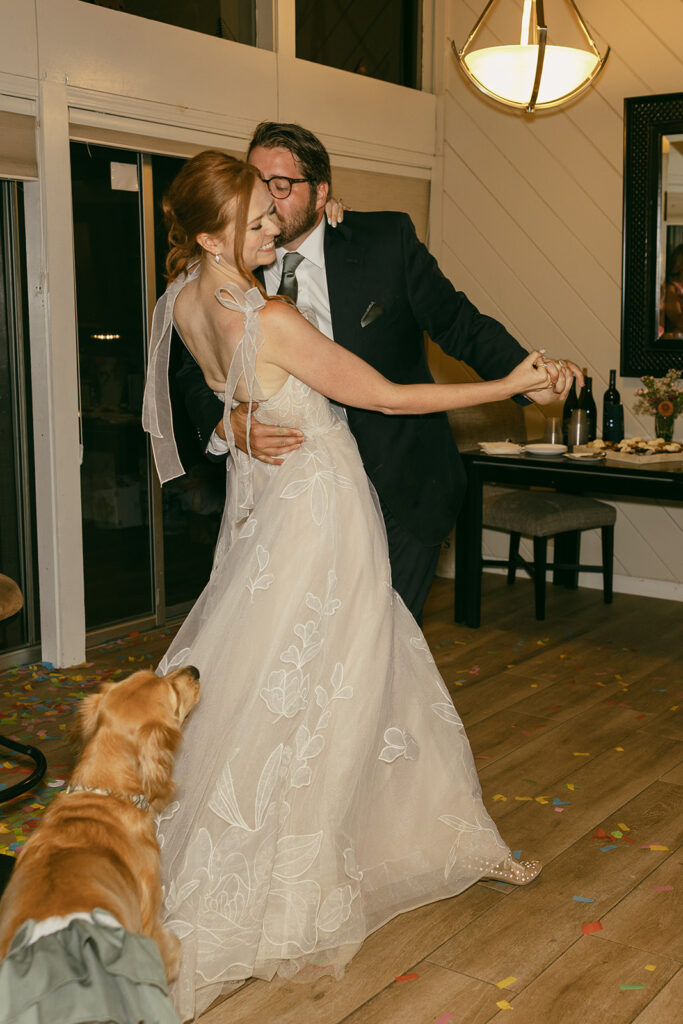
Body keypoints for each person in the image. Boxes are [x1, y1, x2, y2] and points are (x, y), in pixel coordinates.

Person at [143, 150, 552, 1022]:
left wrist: (236, 414)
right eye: (256, 218)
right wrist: (510, 385)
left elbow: (218, 382)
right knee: (344, 683)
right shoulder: (270, 315)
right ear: (214, 230)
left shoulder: (181, 299)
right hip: (323, 521)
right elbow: (390, 397)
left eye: (273, 210)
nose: (273, 227)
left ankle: (374, 838)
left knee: (281, 683)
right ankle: (300, 879)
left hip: (267, 523)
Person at [173, 122, 581, 623]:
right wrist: (224, 421)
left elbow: (457, 323)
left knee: (379, 650)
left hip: (401, 484)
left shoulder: (385, 239)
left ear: (321, 192)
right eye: (254, 179)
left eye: (280, 185)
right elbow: (192, 368)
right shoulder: (237, 257)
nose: (263, 197)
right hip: (289, 501)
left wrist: (528, 381)